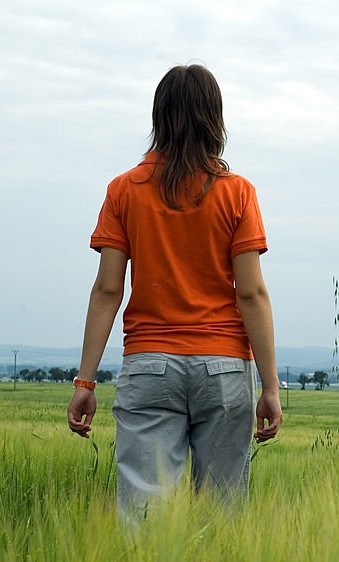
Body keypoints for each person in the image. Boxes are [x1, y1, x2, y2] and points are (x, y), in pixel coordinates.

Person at [66, 64, 282, 520]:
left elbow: (107, 290)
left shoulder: (123, 190)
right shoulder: (238, 193)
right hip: (224, 370)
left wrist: (85, 381)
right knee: (222, 516)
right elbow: (252, 296)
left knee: (144, 517)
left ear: (159, 117)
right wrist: (271, 387)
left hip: (149, 366)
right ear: (214, 119)